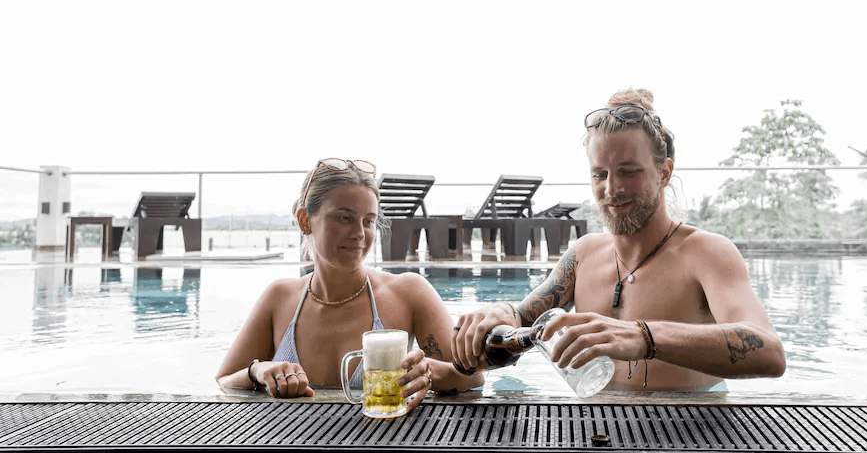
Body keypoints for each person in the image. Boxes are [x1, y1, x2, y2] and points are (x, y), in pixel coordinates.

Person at [453, 89, 786, 391]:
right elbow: (524, 318)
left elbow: (769, 351)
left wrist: (645, 337)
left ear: (664, 172)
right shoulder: (583, 255)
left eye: (629, 172)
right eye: (600, 174)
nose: (612, 190)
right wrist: (498, 314)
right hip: (599, 437)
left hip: (690, 437)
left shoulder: (705, 252)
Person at [217, 158, 483, 408]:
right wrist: (258, 371)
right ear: (305, 220)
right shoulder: (280, 297)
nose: (358, 234)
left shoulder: (408, 292)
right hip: (298, 452)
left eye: (368, 221)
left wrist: (430, 372)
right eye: (344, 218)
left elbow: (472, 378)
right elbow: (224, 381)